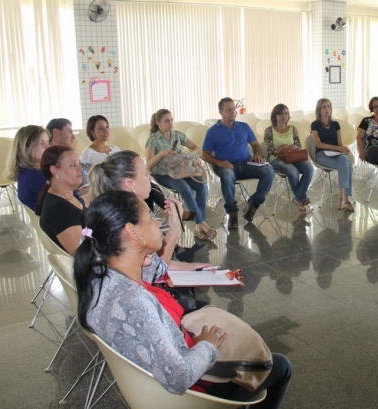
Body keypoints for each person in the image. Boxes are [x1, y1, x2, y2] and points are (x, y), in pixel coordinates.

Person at [74, 191, 292, 407]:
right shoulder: (135, 301)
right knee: (280, 366)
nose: (159, 224)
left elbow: (154, 270)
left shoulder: (101, 275)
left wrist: (174, 230)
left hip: (149, 382)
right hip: (187, 396)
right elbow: (178, 377)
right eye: (151, 218)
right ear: (131, 231)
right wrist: (207, 346)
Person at [89, 150, 209, 269]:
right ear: (129, 184)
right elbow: (155, 270)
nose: (150, 178)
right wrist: (174, 228)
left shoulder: (118, 208)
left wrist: (192, 267)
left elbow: (155, 263)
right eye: (145, 173)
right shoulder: (126, 222)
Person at [202, 98, 275, 228]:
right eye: (228, 109)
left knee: (269, 171)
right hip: (227, 166)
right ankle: (232, 212)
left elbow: (256, 145)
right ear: (221, 112)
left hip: (246, 164)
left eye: (233, 109)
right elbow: (204, 154)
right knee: (226, 175)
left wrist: (257, 154)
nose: (233, 112)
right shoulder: (213, 131)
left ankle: (253, 204)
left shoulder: (244, 127)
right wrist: (218, 162)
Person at [145, 109, 215, 240]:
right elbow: (148, 164)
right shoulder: (152, 140)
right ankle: (201, 223)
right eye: (166, 121)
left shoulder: (177, 135)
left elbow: (196, 147)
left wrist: (187, 155)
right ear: (158, 122)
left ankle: (199, 226)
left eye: (171, 120)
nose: (170, 123)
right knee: (185, 189)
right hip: (163, 174)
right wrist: (161, 154)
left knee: (202, 185)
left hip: (181, 171)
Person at [263, 104, 313, 213]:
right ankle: (300, 198)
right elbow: (271, 149)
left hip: (293, 156)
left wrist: (284, 147)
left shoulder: (293, 129)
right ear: (275, 116)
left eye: (286, 113)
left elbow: (297, 146)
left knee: (309, 168)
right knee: (293, 171)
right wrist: (286, 147)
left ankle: (298, 198)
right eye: (281, 114)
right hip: (276, 159)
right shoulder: (269, 131)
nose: (284, 116)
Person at [35, 146, 85, 255]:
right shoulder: (59, 210)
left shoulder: (67, 194)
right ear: (55, 171)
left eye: (79, 163)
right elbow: (82, 254)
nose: (80, 168)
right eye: (73, 165)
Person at [311, 98, 354, 212]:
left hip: (335, 154)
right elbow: (319, 144)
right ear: (319, 110)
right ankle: (345, 198)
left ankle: (342, 199)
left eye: (329, 106)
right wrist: (338, 148)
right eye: (324, 107)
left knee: (345, 161)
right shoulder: (315, 125)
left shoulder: (335, 124)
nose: (327, 109)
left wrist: (343, 150)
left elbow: (339, 143)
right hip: (321, 155)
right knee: (347, 165)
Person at [5, 125, 49, 211]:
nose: (48, 146)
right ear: (26, 148)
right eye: (41, 143)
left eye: (47, 141)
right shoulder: (35, 176)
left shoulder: (27, 173)